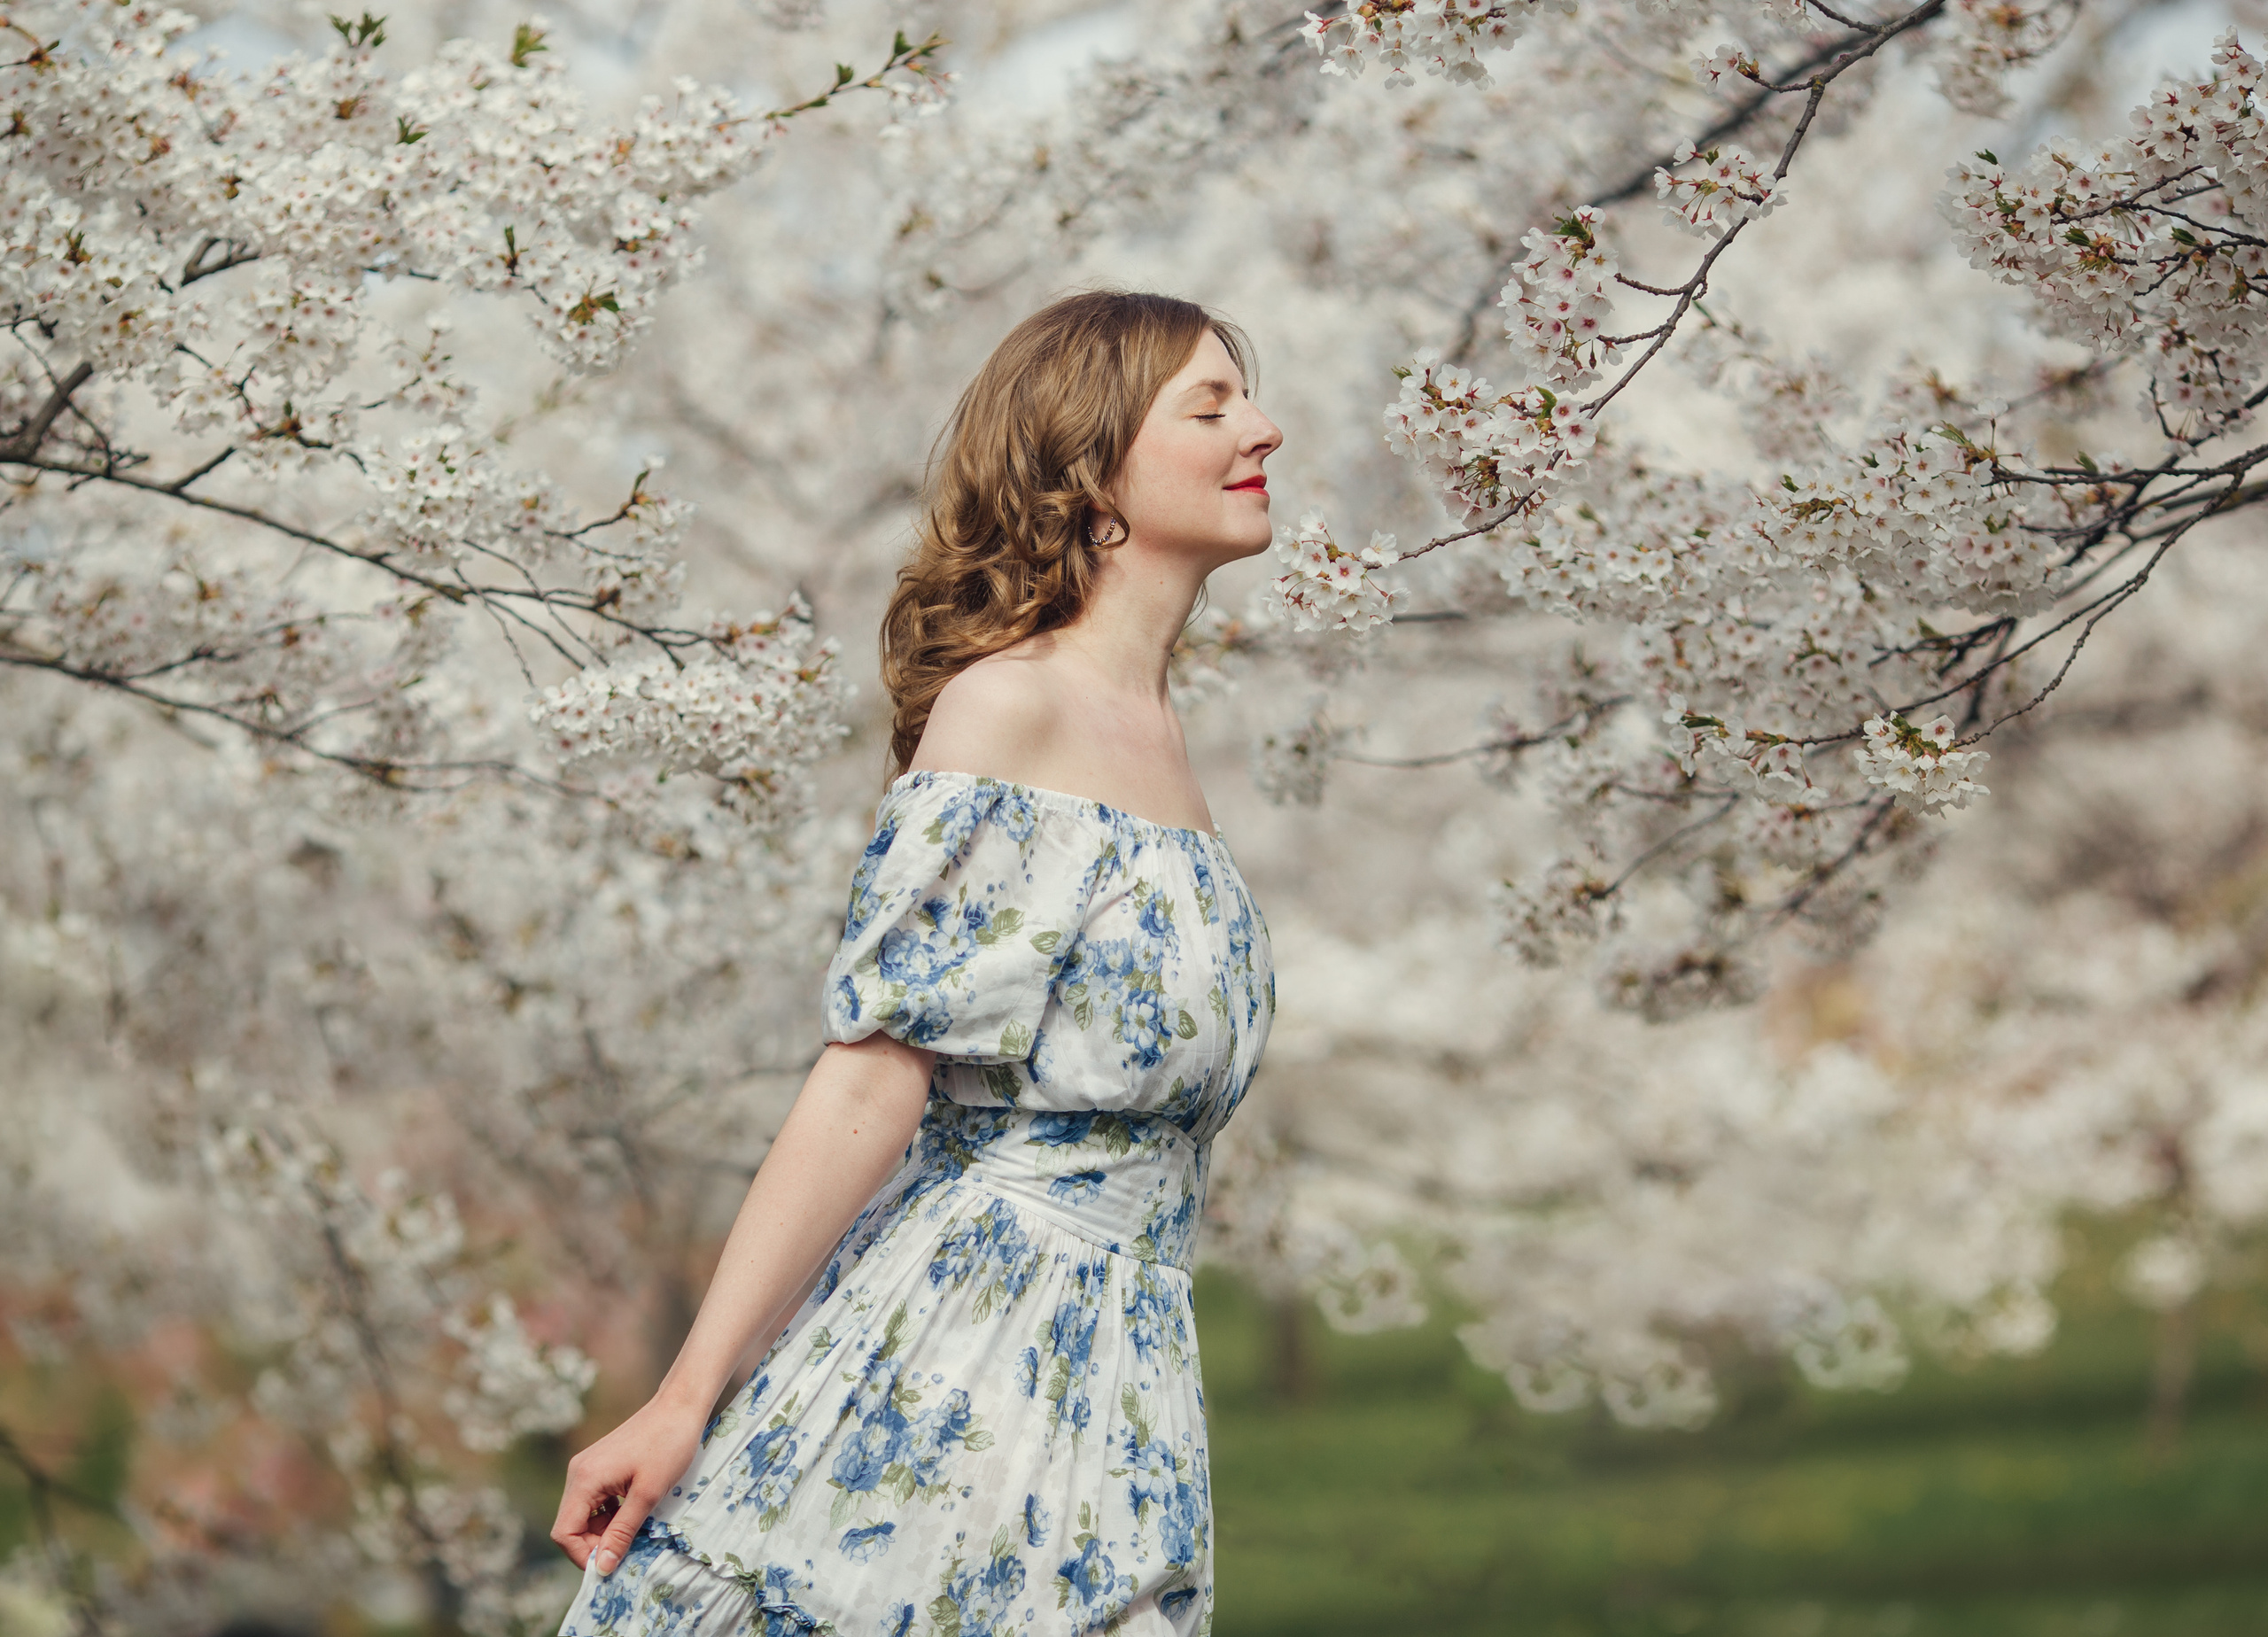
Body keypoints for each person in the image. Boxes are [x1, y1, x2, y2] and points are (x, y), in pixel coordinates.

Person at [548, 290, 1281, 1637]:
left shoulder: (1161, 738)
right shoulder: (1013, 707)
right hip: (958, 1355)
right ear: (1094, 470)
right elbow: (872, 1077)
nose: (1264, 430)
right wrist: (685, 1395)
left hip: (1120, 1369)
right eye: (1213, 405)